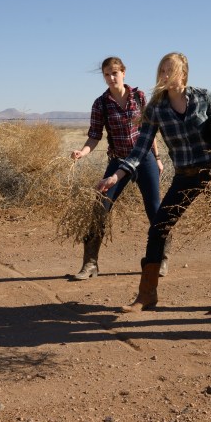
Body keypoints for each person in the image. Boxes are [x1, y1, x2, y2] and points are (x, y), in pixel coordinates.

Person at [97, 52, 211, 314]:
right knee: (158, 228)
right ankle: (146, 295)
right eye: (161, 70)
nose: (163, 75)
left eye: (169, 70)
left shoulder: (203, 97)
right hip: (185, 175)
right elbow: (140, 149)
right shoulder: (156, 108)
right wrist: (116, 175)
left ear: (183, 74)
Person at [69, 57, 166, 281]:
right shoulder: (100, 103)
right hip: (118, 161)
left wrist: (158, 158)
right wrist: (82, 152)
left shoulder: (140, 97)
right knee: (99, 210)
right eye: (106, 75)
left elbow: (149, 131)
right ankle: (90, 264)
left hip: (144, 159)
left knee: (155, 210)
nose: (111, 78)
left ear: (123, 72)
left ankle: (161, 258)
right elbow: (94, 136)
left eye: (114, 73)